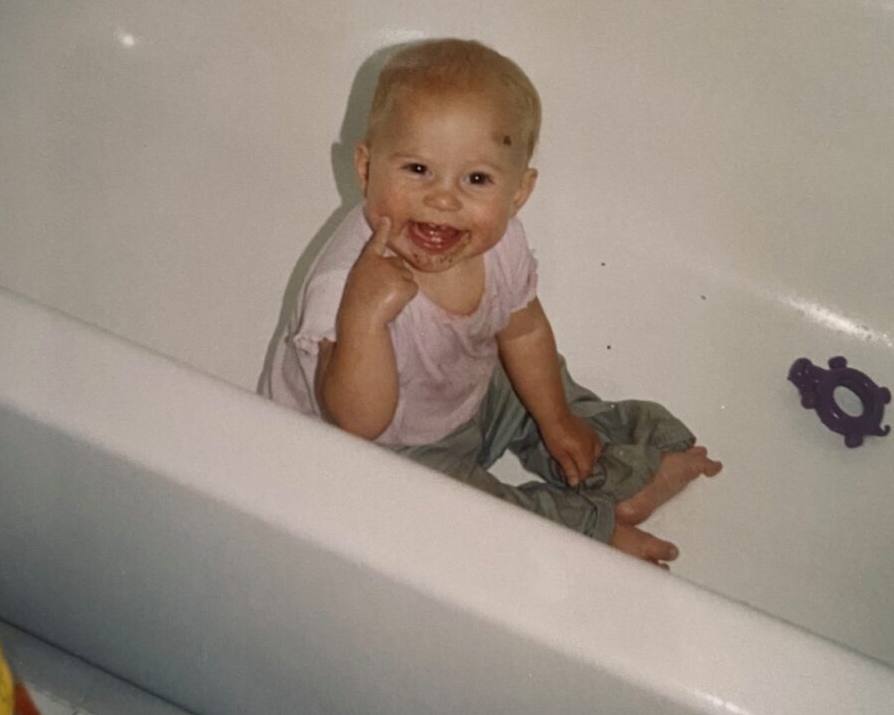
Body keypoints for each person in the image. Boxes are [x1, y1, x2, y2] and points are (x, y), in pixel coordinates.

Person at [263, 39, 721, 566]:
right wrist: (364, 316)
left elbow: (522, 329)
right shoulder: (345, 284)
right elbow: (356, 422)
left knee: (551, 389)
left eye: (477, 179)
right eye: (417, 169)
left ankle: (624, 472)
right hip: (378, 445)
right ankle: (586, 528)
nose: (443, 198)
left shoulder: (500, 242)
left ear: (518, 193)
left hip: (465, 389)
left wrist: (552, 419)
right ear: (366, 169)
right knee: (464, 519)